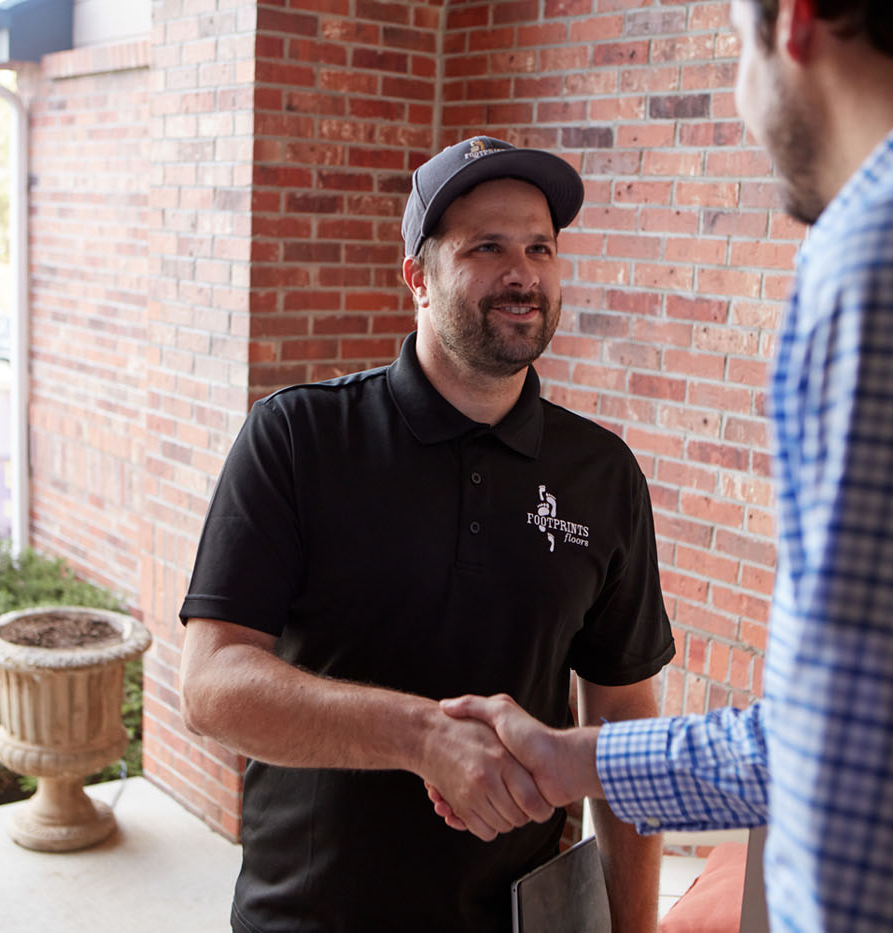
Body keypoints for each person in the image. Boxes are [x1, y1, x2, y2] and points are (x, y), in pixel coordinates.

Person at [434, 1, 893, 929]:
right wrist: (579, 761)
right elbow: (870, 727)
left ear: (798, 20)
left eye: (740, 43)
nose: (743, 92)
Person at [178, 136, 676, 933]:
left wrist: (635, 928)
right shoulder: (299, 437)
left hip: (518, 917)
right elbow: (211, 687)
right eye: (487, 247)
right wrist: (422, 737)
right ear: (417, 276)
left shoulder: (602, 473)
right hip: (310, 915)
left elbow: (624, 720)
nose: (523, 274)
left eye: (540, 248)